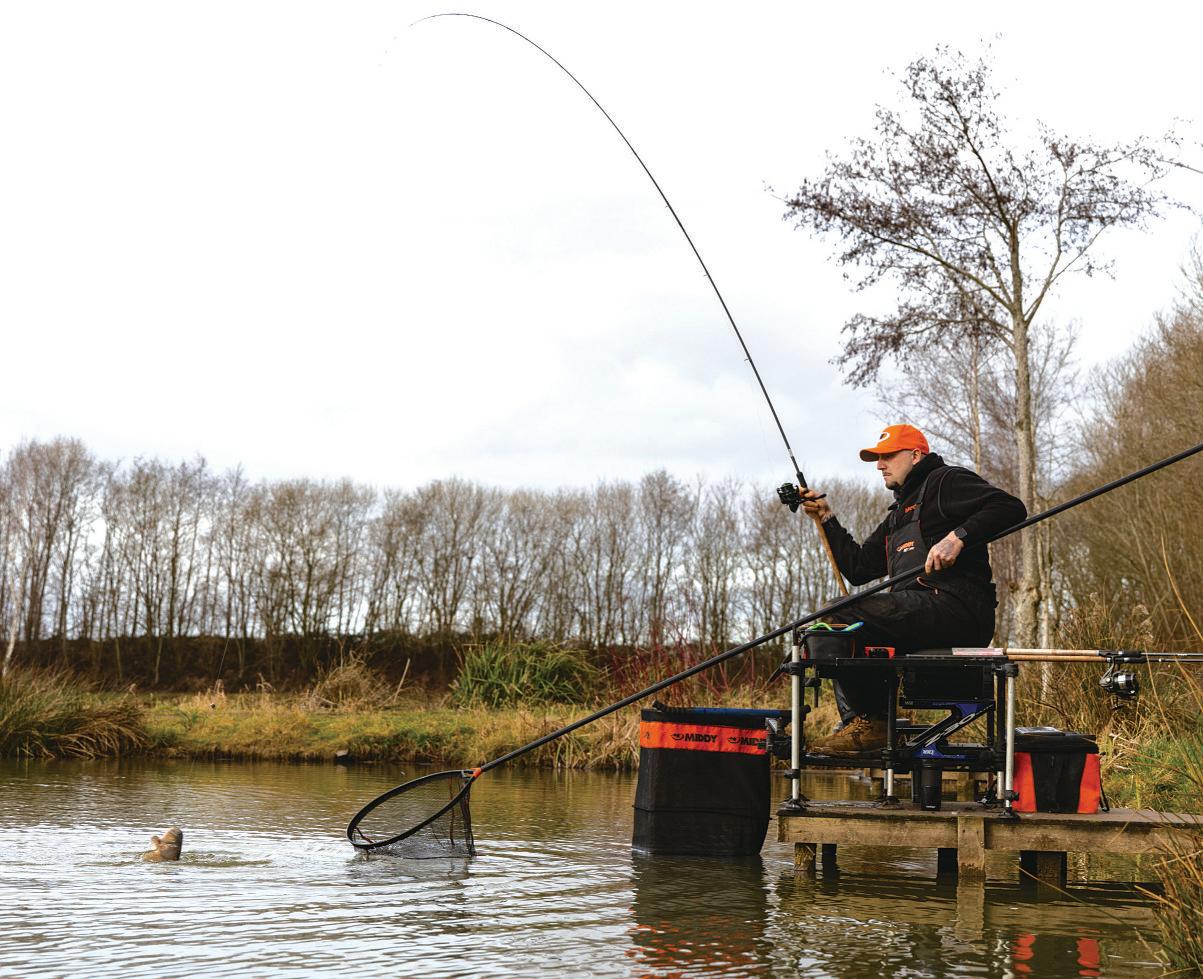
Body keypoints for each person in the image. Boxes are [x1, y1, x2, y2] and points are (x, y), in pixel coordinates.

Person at [798, 424, 1026, 756]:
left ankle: (874, 725)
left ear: (916, 455)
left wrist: (958, 538)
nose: (880, 465)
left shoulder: (946, 481)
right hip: (916, 611)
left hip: (958, 608)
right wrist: (827, 518)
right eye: (877, 459)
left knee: (839, 614)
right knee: (830, 623)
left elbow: (1010, 508)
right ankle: (863, 723)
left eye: (888, 456)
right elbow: (859, 568)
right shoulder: (897, 516)